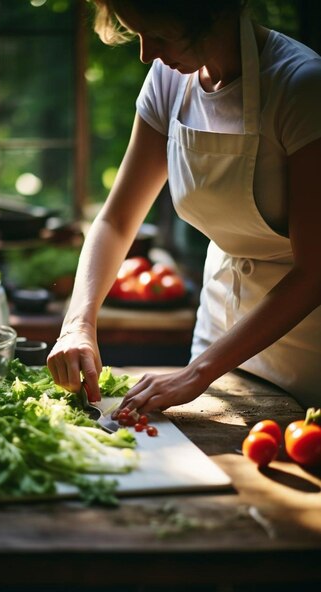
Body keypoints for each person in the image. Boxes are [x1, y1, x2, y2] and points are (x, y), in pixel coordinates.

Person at [47, 0, 321, 411]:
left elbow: (314, 270)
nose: (146, 54)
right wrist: (78, 323)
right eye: (137, 34)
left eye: (159, 35)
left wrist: (197, 373)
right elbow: (118, 220)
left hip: (302, 345)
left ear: (214, 12)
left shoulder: (301, 86)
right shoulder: (168, 79)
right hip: (217, 332)